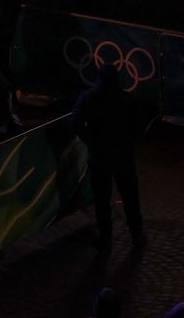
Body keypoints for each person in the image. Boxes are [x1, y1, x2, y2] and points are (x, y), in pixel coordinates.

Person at [73, 61, 145, 249]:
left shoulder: (88, 98)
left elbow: (76, 123)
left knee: (102, 198)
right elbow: (139, 126)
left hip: (100, 155)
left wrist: (91, 140)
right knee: (130, 196)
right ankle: (137, 235)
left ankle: (105, 237)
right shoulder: (127, 100)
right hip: (122, 155)